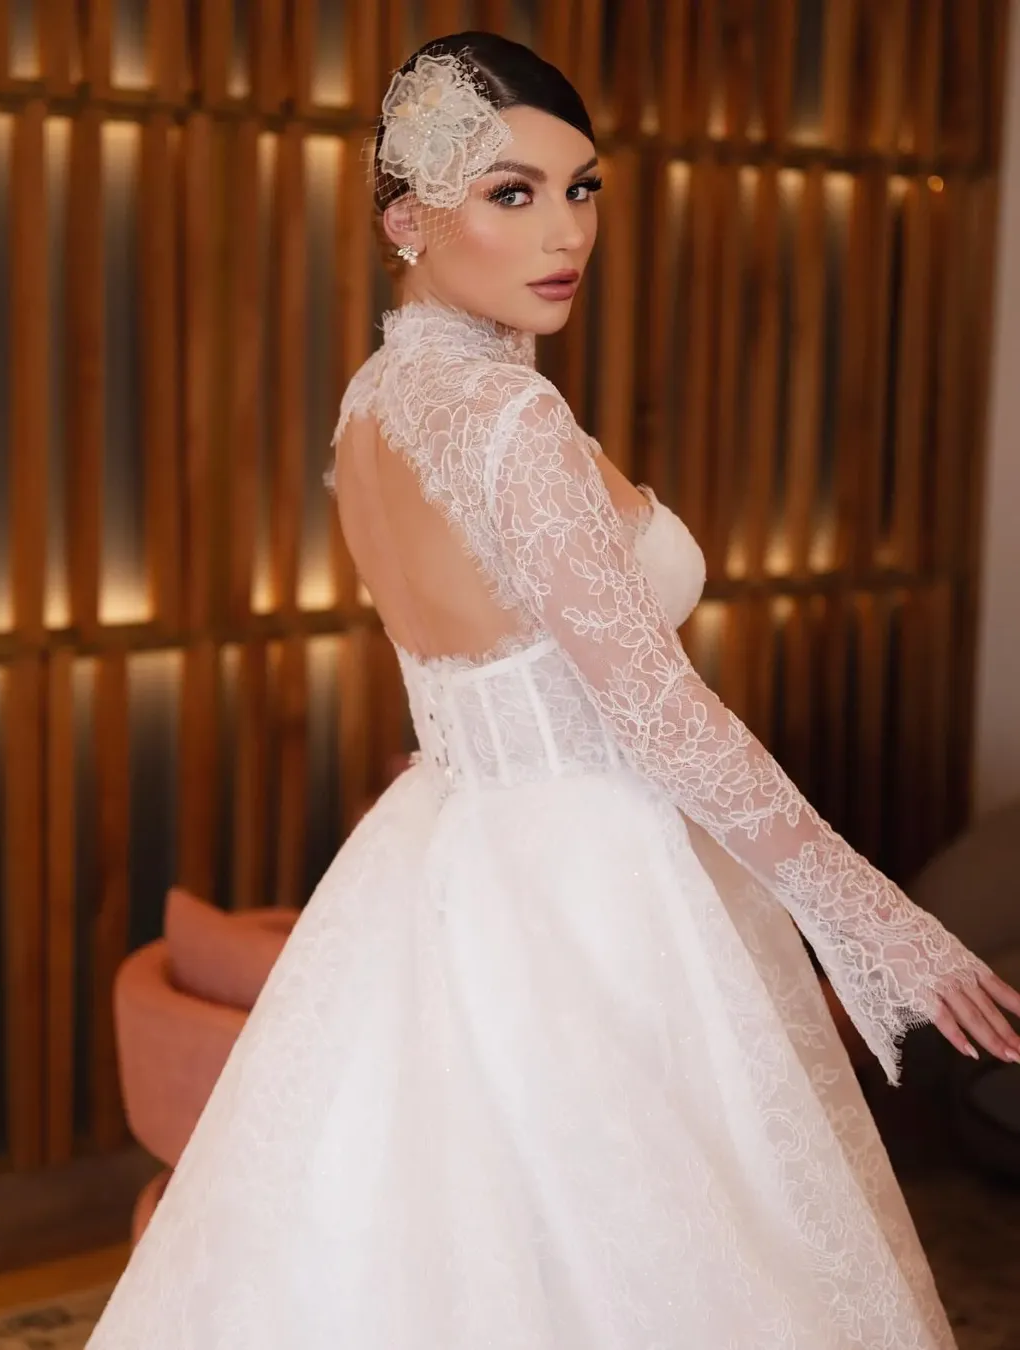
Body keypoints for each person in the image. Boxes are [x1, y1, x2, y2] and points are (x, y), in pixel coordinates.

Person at [87, 32, 1020, 1350]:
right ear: (408, 219)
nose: (565, 230)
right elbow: (661, 715)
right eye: (511, 193)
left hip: (445, 852)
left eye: (581, 189)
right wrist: (876, 920)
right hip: (587, 874)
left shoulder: (374, 403)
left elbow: (475, 666)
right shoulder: (507, 423)